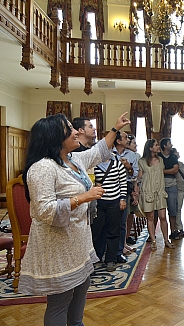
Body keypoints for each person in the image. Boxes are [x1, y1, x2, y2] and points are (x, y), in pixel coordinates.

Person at [20, 112, 130, 326]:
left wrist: (115, 129)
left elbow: (98, 151)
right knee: (60, 301)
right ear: (54, 137)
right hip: (57, 246)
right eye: (69, 129)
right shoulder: (43, 167)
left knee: (81, 291)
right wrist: (83, 197)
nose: (76, 131)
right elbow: (44, 210)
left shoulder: (73, 160)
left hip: (78, 243)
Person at [92, 151, 128, 272]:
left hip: (114, 202)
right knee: (97, 231)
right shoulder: (94, 165)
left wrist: (122, 198)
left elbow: (123, 183)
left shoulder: (118, 165)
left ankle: (111, 259)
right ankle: (96, 257)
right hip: (98, 202)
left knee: (113, 231)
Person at [138, 139, 173, 250]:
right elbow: (139, 177)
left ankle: (166, 240)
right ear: (150, 148)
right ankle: (153, 240)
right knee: (151, 217)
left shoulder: (161, 160)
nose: (158, 147)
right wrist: (136, 191)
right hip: (148, 191)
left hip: (160, 192)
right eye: (156, 145)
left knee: (163, 216)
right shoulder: (142, 161)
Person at [113, 131, 138, 262]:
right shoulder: (109, 153)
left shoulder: (132, 155)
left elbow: (134, 175)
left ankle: (120, 249)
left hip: (125, 188)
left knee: (123, 220)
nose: (128, 139)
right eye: (125, 137)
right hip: (110, 189)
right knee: (112, 222)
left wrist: (129, 167)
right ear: (118, 141)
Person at [158, 138, 180, 239]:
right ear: (164, 146)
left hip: (172, 185)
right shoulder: (158, 157)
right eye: (169, 143)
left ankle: (173, 231)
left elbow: (175, 170)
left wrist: (163, 171)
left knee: (172, 210)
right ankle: (155, 234)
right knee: (158, 211)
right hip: (160, 186)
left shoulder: (173, 156)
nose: (171, 145)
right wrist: (166, 171)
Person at [126, 134, 141, 246]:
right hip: (125, 186)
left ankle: (127, 236)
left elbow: (137, 174)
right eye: (134, 143)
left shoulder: (136, 156)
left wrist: (136, 190)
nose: (136, 145)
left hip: (134, 184)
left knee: (131, 212)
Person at [172, 147, 184, 238]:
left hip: (181, 189)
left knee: (179, 208)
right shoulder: (172, 165)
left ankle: (179, 227)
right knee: (175, 209)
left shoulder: (181, 164)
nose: (178, 153)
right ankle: (177, 228)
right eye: (176, 152)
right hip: (174, 188)